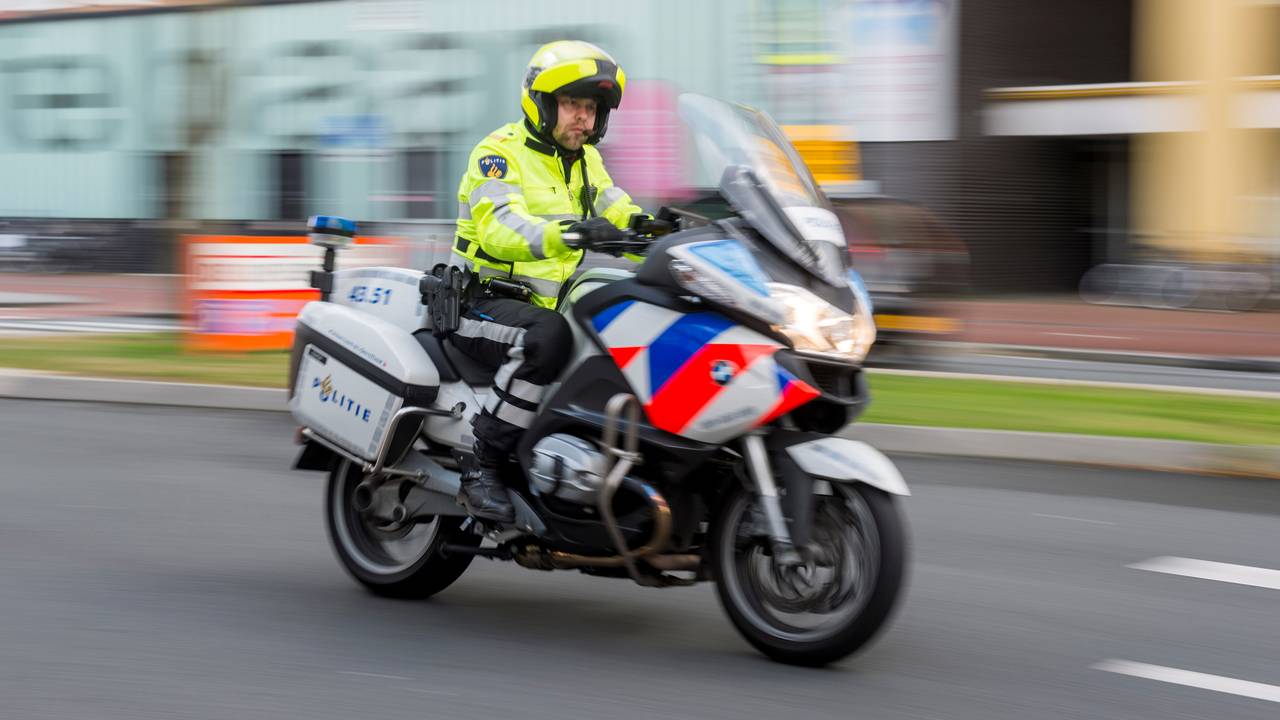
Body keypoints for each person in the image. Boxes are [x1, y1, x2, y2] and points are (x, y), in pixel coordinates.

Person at [450, 40, 647, 523]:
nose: (583, 118)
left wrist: (659, 230)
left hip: (542, 303)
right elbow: (501, 226)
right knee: (549, 338)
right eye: (572, 104)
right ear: (541, 103)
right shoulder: (497, 154)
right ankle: (483, 465)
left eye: (592, 108)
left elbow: (616, 206)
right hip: (479, 303)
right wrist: (575, 231)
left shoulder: (585, 162)